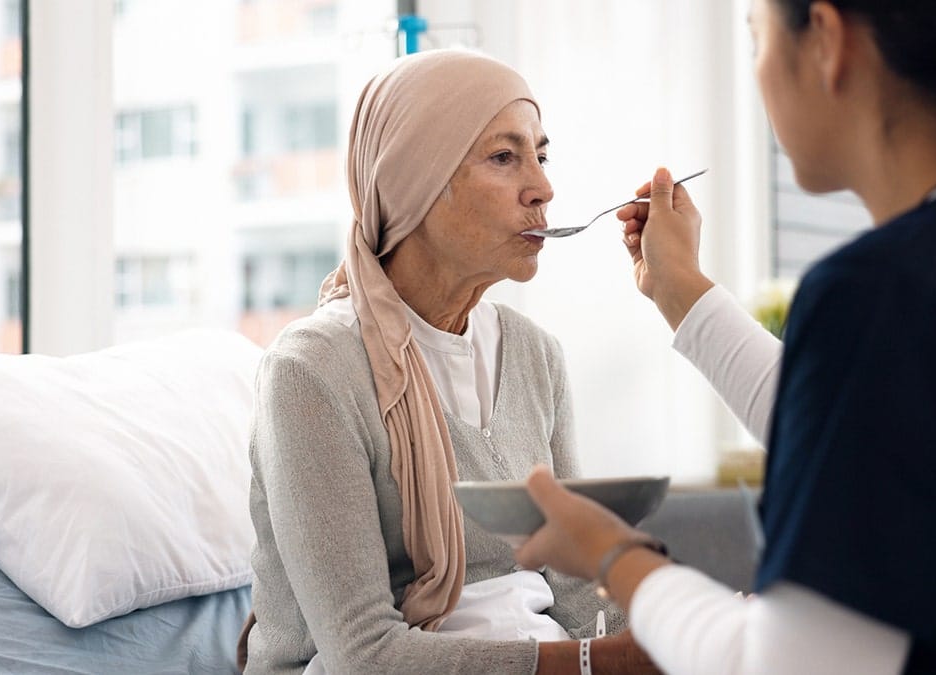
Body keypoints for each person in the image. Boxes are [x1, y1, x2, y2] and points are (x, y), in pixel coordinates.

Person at [516, 1, 936, 673]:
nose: (758, 71)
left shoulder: (890, 290)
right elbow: (873, 436)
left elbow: (789, 664)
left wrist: (615, 555)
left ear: (827, 42)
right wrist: (679, 287)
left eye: (756, 36)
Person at [242, 49, 658, 675]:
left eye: (540, 156)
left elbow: (577, 591)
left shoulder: (536, 355)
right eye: (504, 157)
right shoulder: (312, 372)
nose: (543, 189)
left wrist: (672, 637)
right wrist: (599, 664)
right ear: (415, 181)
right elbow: (363, 656)